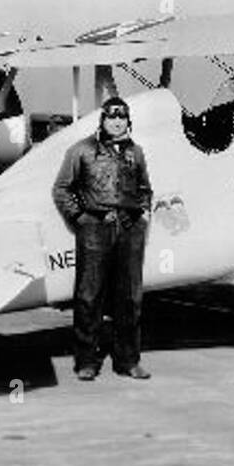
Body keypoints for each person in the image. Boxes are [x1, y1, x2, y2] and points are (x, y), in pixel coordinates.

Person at [51, 97, 154, 380]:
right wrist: (81, 218)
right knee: (88, 295)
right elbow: (62, 189)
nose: (117, 122)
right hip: (95, 227)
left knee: (130, 297)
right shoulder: (81, 151)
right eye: (111, 117)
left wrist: (141, 215)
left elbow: (145, 188)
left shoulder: (137, 153)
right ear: (103, 120)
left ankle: (128, 361)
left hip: (129, 228)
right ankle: (86, 361)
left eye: (122, 117)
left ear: (128, 121)